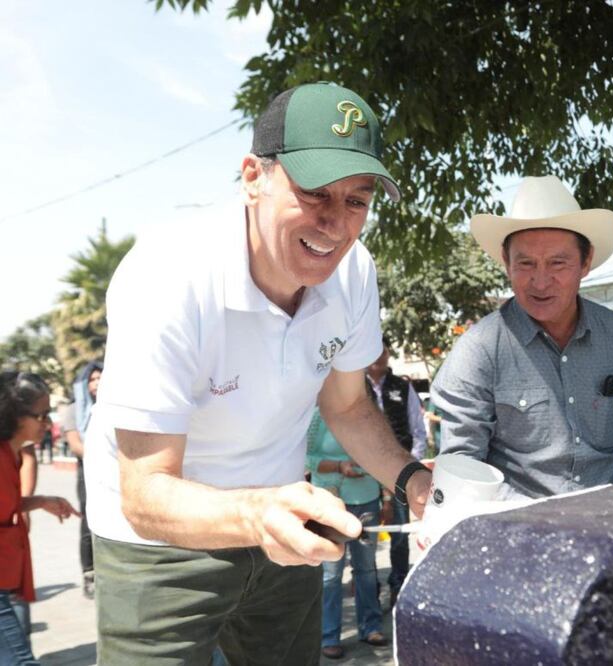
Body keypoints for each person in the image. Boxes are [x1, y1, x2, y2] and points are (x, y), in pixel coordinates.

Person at [81, 82, 432, 665]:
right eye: (314, 192)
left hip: (283, 529)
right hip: (158, 542)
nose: (334, 225)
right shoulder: (168, 274)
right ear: (252, 177)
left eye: (356, 201)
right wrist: (255, 512)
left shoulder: (354, 273)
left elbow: (345, 405)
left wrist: (414, 482)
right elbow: (144, 494)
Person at [431, 175, 613, 500]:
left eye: (558, 263)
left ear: (585, 262)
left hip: (612, 522)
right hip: (519, 530)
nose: (540, 282)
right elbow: (463, 466)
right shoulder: (480, 350)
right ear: (506, 262)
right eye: (526, 263)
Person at [1, 371, 79, 665]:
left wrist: (41, 501)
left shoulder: (13, 454)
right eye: (42, 415)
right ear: (15, 414)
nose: (48, 424)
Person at [305, 409, 387, 659]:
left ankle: (371, 627)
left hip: (368, 498)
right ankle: (329, 635)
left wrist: (388, 498)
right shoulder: (317, 415)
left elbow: (383, 456)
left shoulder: (370, 412)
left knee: (367, 569)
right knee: (330, 575)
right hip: (330, 502)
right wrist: (339, 466)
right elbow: (305, 458)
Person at [365, 344, 426, 599]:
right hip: (364, 474)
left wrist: (412, 471)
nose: (378, 354)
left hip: (398, 474)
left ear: (389, 353)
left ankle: (398, 587)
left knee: (399, 536)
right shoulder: (353, 386)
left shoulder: (402, 386)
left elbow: (418, 431)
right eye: (373, 348)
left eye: (383, 349)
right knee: (366, 536)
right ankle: (368, 592)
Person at [61, 361, 101, 599]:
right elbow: (76, 445)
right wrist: (105, 458)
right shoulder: (74, 410)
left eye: (100, 378)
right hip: (88, 471)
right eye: (92, 379)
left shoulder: (114, 406)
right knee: (89, 521)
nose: (97, 384)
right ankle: (89, 572)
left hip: (116, 472)